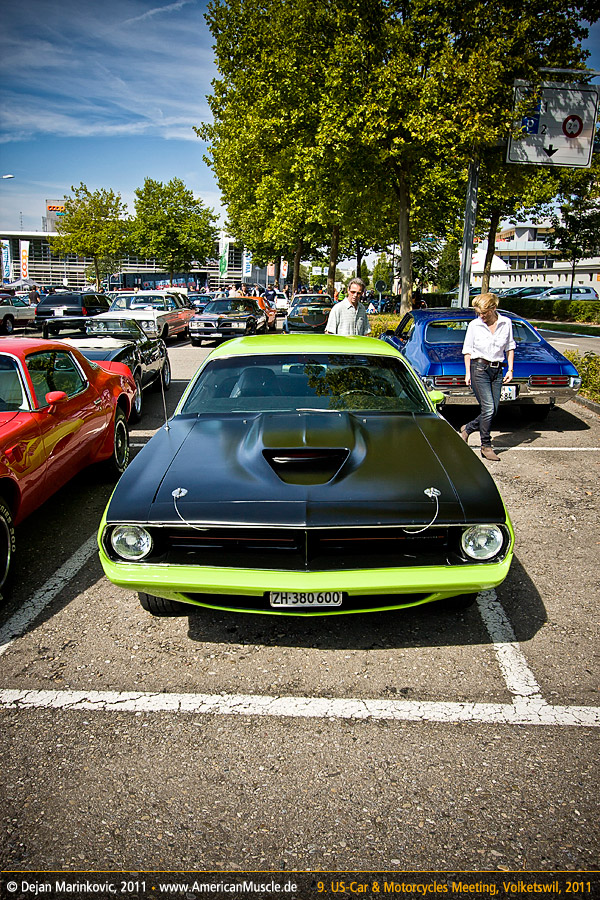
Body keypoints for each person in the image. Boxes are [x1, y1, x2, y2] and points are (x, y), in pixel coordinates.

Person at [460, 292, 515, 462]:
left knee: (493, 409)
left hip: (497, 370)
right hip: (479, 369)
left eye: (484, 313)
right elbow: (467, 350)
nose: (481, 316)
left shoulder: (506, 323)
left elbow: (510, 347)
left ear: (494, 308)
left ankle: (468, 428)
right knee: (489, 408)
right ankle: (486, 445)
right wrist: (467, 372)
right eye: (478, 313)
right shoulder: (474, 325)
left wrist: (510, 370)